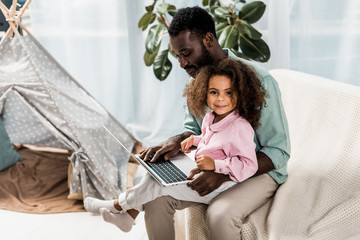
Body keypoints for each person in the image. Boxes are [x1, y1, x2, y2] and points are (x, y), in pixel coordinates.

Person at [139, 6, 291, 240]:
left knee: (219, 214)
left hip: (260, 171)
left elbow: (278, 151)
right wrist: (178, 141)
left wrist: (225, 174)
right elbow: (196, 130)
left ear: (209, 39)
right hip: (213, 164)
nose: (182, 63)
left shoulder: (261, 82)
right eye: (177, 56)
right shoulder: (197, 82)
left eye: (186, 53)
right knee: (155, 199)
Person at [83, 57, 266, 233]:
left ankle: (117, 205)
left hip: (222, 186)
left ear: (240, 93)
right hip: (200, 170)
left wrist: (215, 165)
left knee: (160, 186)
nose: (220, 99)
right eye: (213, 92)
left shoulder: (240, 128)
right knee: (155, 174)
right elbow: (213, 140)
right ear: (204, 92)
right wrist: (194, 140)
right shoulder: (211, 117)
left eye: (228, 92)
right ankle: (128, 218)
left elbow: (249, 165)